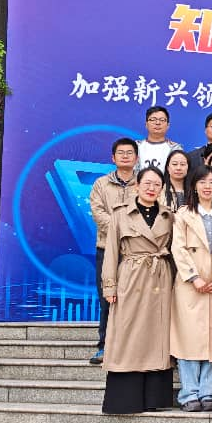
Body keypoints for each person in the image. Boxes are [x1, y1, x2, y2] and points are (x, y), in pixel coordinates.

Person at [100, 166, 175, 414]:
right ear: (137, 186)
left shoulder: (169, 216)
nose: (151, 189)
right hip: (131, 278)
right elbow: (111, 252)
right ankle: (126, 397)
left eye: (157, 185)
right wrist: (109, 285)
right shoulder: (121, 214)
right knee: (127, 333)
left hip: (160, 278)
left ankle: (155, 398)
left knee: (157, 335)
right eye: (147, 184)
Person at [170, 165, 212, 412]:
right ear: (194, 186)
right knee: (188, 338)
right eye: (202, 182)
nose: (208, 186)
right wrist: (193, 277)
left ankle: (208, 392)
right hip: (190, 284)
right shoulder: (183, 214)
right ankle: (189, 393)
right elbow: (178, 248)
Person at [88, 138, 138, 365]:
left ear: (136, 158)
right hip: (106, 249)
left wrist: (132, 234)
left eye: (129, 153)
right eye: (121, 152)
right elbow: (98, 213)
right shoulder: (101, 184)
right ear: (113, 157)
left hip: (136, 252)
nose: (125, 156)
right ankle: (104, 346)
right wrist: (121, 230)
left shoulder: (144, 182)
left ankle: (132, 348)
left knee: (135, 300)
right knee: (107, 297)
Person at [135, 106, 182, 173]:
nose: (157, 123)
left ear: (168, 125)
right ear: (146, 124)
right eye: (153, 119)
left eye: (162, 120)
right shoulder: (135, 146)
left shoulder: (175, 148)